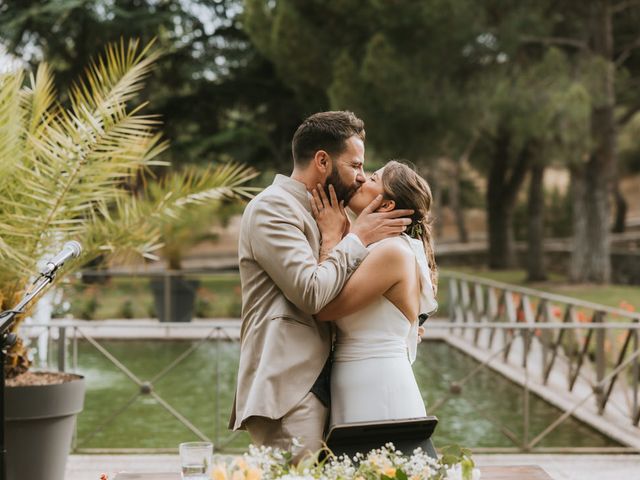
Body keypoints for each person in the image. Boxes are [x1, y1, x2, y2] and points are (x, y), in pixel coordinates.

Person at [228, 112, 415, 461]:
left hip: (336, 387)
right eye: (355, 165)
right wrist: (353, 238)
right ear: (322, 160)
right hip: (290, 389)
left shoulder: (333, 214)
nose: (361, 177)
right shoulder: (272, 209)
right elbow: (312, 293)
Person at [313, 160, 439, 457]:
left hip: (377, 383)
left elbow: (322, 307)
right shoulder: (374, 248)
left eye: (372, 178)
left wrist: (331, 239)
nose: (359, 179)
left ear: (387, 204)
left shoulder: (392, 252)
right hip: (355, 379)